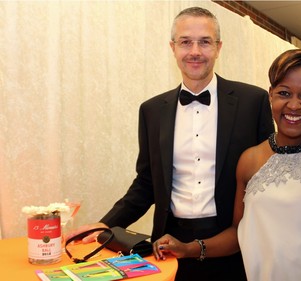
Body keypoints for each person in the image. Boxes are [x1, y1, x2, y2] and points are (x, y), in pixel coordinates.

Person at [67, 6, 274, 281]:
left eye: (205, 42)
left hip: (233, 245)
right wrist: (106, 223)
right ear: (172, 47)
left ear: (218, 47)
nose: (195, 51)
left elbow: (269, 179)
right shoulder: (151, 110)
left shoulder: (253, 101)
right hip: (168, 246)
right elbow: (146, 183)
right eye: (186, 42)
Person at [154, 49, 301, 280]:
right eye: (284, 93)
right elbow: (237, 234)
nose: (294, 105)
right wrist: (187, 248)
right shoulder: (250, 160)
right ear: (271, 95)